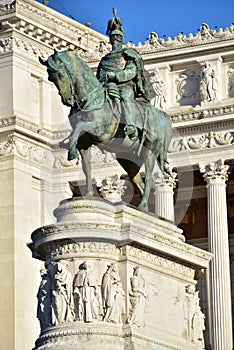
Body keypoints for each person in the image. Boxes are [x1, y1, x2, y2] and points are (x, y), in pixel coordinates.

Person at [96, 8, 155, 141]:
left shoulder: (128, 54)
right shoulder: (105, 59)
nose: (116, 40)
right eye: (113, 37)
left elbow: (131, 71)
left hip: (124, 86)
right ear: (110, 40)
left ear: (121, 39)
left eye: (118, 37)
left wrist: (115, 76)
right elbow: (99, 76)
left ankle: (131, 125)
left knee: (126, 95)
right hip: (106, 87)